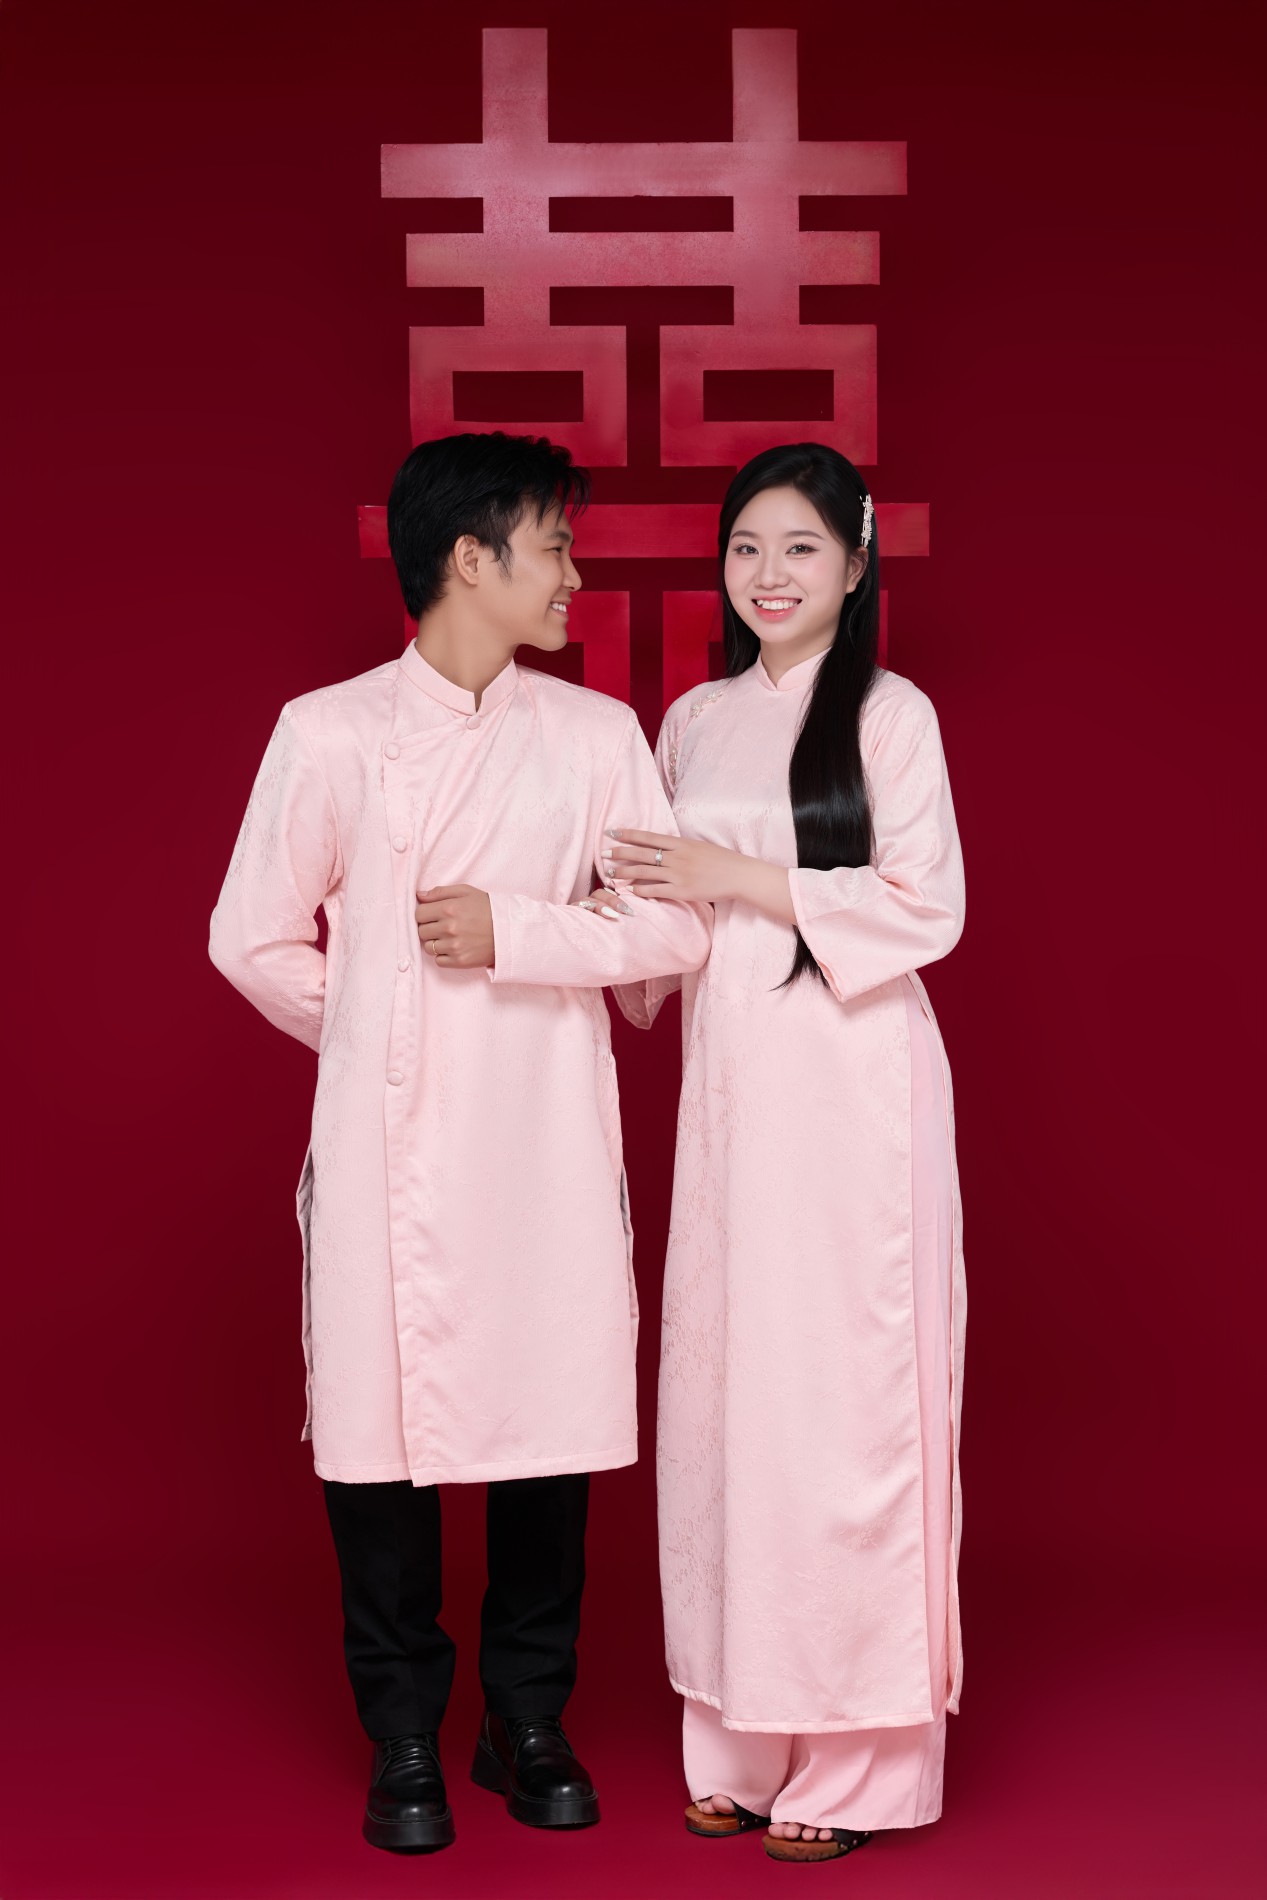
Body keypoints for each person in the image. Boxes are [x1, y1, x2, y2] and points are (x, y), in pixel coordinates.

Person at [208, 431, 711, 1856]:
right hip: (390, 1145)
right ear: (471, 559)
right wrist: (382, 1033)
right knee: (381, 1441)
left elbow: (674, 928)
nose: (573, 575)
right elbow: (248, 935)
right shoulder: (330, 732)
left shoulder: (597, 737)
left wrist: (517, 932)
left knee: (548, 1426)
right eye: (555, 547)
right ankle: (404, 1732)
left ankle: (527, 1718)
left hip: (544, 1131)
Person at [594, 442, 966, 1866]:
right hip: (735, 1098)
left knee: (845, 1402)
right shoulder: (692, 722)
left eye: (802, 547)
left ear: (856, 564)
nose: (769, 573)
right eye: (747, 546)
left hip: (857, 1094)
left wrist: (737, 876)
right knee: (733, 1394)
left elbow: (927, 907)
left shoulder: (892, 715)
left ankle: (862, 1759)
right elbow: (658, 917)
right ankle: (741, 1739)